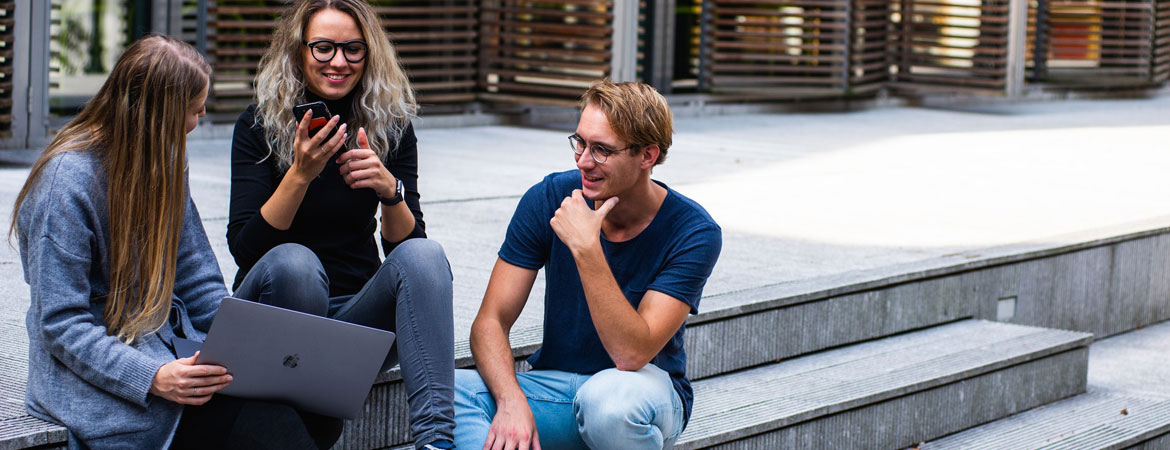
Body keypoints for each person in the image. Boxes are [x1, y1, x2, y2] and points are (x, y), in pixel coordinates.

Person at [12, 35, 334, 450]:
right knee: (272, 426)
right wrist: (153, 377)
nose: (200, 118)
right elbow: (61, 324)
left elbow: (197, 277)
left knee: (316, 408)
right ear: (158, 114)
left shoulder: (163, 159)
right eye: (194, 110)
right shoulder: (66, 183)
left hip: (171, 349)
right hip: (107, 377)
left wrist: (241, 349)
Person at [227, 1, 455, 448]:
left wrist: (389, 190)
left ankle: (435, 441)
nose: (338, 62)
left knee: (426, 256)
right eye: (324, 47)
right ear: (299, 51)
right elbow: (246, 250)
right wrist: (300, 174)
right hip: (278, 314)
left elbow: (409, 253)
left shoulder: (389, 127)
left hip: (354, 320)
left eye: (353, 49)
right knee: (296, 264)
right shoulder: (259, 125)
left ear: (369, 54)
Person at [453, 79, 723, 450]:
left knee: (608, 404)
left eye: (601, 150)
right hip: (557, 387)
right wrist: (511, 401)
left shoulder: (693, 231)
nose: (583, 161)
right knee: (448, 391)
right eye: (580, 143)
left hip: (639, 394)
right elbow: (490, 322)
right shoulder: (549, 197)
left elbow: (631, 354)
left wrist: (586, 248)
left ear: (647, 156)